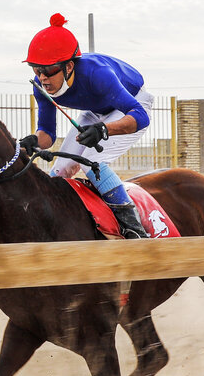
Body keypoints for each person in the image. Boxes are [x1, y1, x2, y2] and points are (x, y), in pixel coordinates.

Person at [17, 13, 153, 238]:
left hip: (132, 105)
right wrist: (33, 141)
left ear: (69, 66)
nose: (42, 78)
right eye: (35, 69)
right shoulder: (41, 87)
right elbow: (48, 135)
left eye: (48, 70)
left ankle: (134, 229)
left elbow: (141, 116)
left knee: (92, 162)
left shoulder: (97, 74)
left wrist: (104, 130)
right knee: (60, 170)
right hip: (97, 110)